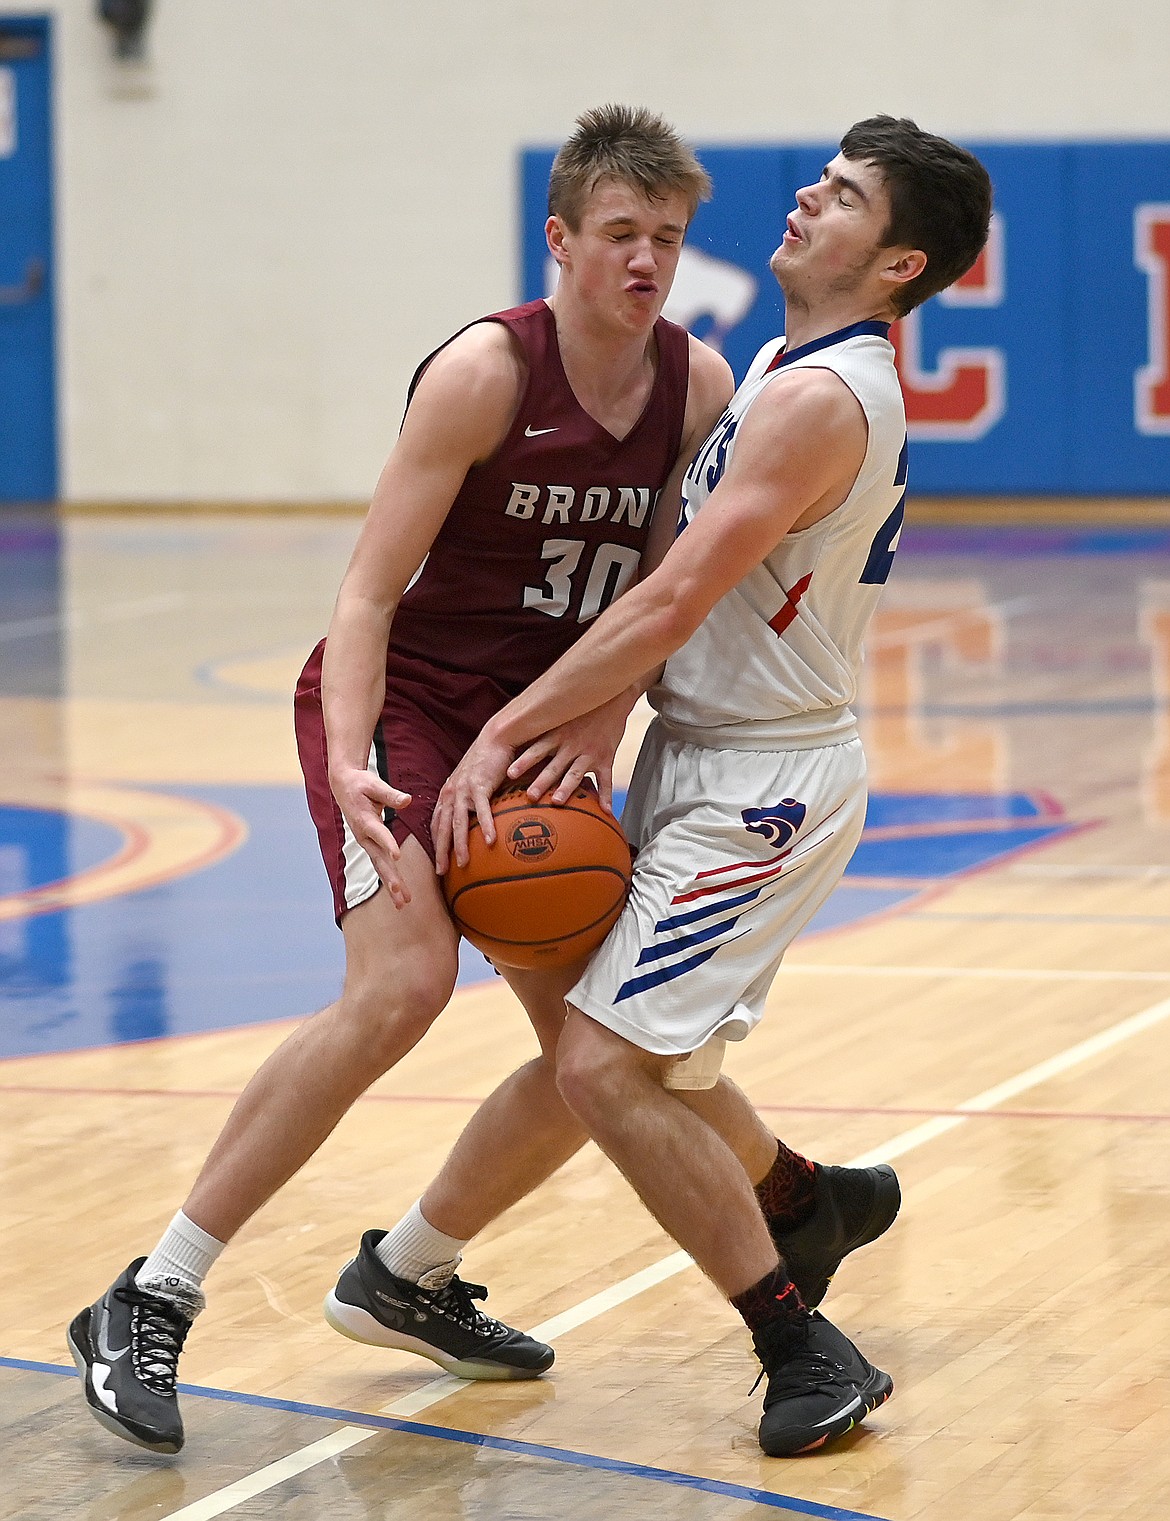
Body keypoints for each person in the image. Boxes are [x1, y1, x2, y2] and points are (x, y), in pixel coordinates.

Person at [66, 103, 895, 1457]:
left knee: (590, 1052)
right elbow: (366, 590)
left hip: (536, 732)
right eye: (619, 234)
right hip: (407, 705)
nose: (645, 260)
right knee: (396, 986)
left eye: (668, 239)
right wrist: (348, 760)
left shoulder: (695, 390)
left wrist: (596, 711)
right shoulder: (483, 374)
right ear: (559, 239)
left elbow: (666, 595)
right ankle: (150, 1291)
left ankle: (417, 1277)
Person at [429, 116, 993, 1458]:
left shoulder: (814, 397)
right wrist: (615, 700)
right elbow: (693, 572)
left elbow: (676, 591)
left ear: (895, 258)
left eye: (843, 194)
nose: (809, 194)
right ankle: (802, 1199)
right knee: (639, 1053)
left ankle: (802, 1345)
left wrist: (502, 728)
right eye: (821, 175)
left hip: (764, 783)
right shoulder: (780, 364)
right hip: (705, 750)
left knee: (605, 1065)